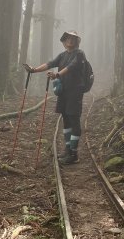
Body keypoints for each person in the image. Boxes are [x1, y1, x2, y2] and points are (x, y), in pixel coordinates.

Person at [23, 30, 85, 165]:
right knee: (66, 119)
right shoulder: (62, 55)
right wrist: (33, 70)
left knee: (74, 119)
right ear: (64, 41)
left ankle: (74, 154)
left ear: (77, 42)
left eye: (73, 39)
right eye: (68, 38)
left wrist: (57, 75)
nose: (70, 41)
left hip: (75, 92)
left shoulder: (79, 54)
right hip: (64, 92)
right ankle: (68, 149)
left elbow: (72, 66)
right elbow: (49, 64)